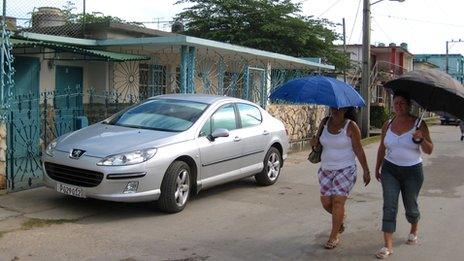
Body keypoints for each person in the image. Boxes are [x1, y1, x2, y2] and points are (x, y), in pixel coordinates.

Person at [374, 92, 433, 259]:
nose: (399, 106)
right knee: (389, 205)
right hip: (390, 170)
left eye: (402, 103)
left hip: (413, 172)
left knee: (411, 205)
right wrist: (378, 167)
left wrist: (421, 139)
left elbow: (429, 150)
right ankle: (387, 245)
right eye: (396, 103)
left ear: (409, 105)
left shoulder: (419, 125)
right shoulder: (388, 124)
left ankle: (414, 228)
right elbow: (381, 148)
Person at [310, 107, 371, 249]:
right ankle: (340, 219)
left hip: (346, 169)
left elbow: (358, 149)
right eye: (333, 107)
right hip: (326, 169)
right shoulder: (324, 122)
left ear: (345, 110)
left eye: (339, 108)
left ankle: (334, 236)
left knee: (338, 201)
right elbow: (317, 144)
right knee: (326, 202)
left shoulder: (351, 126)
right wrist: (313, 143)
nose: (335, 110)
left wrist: (366, 170)